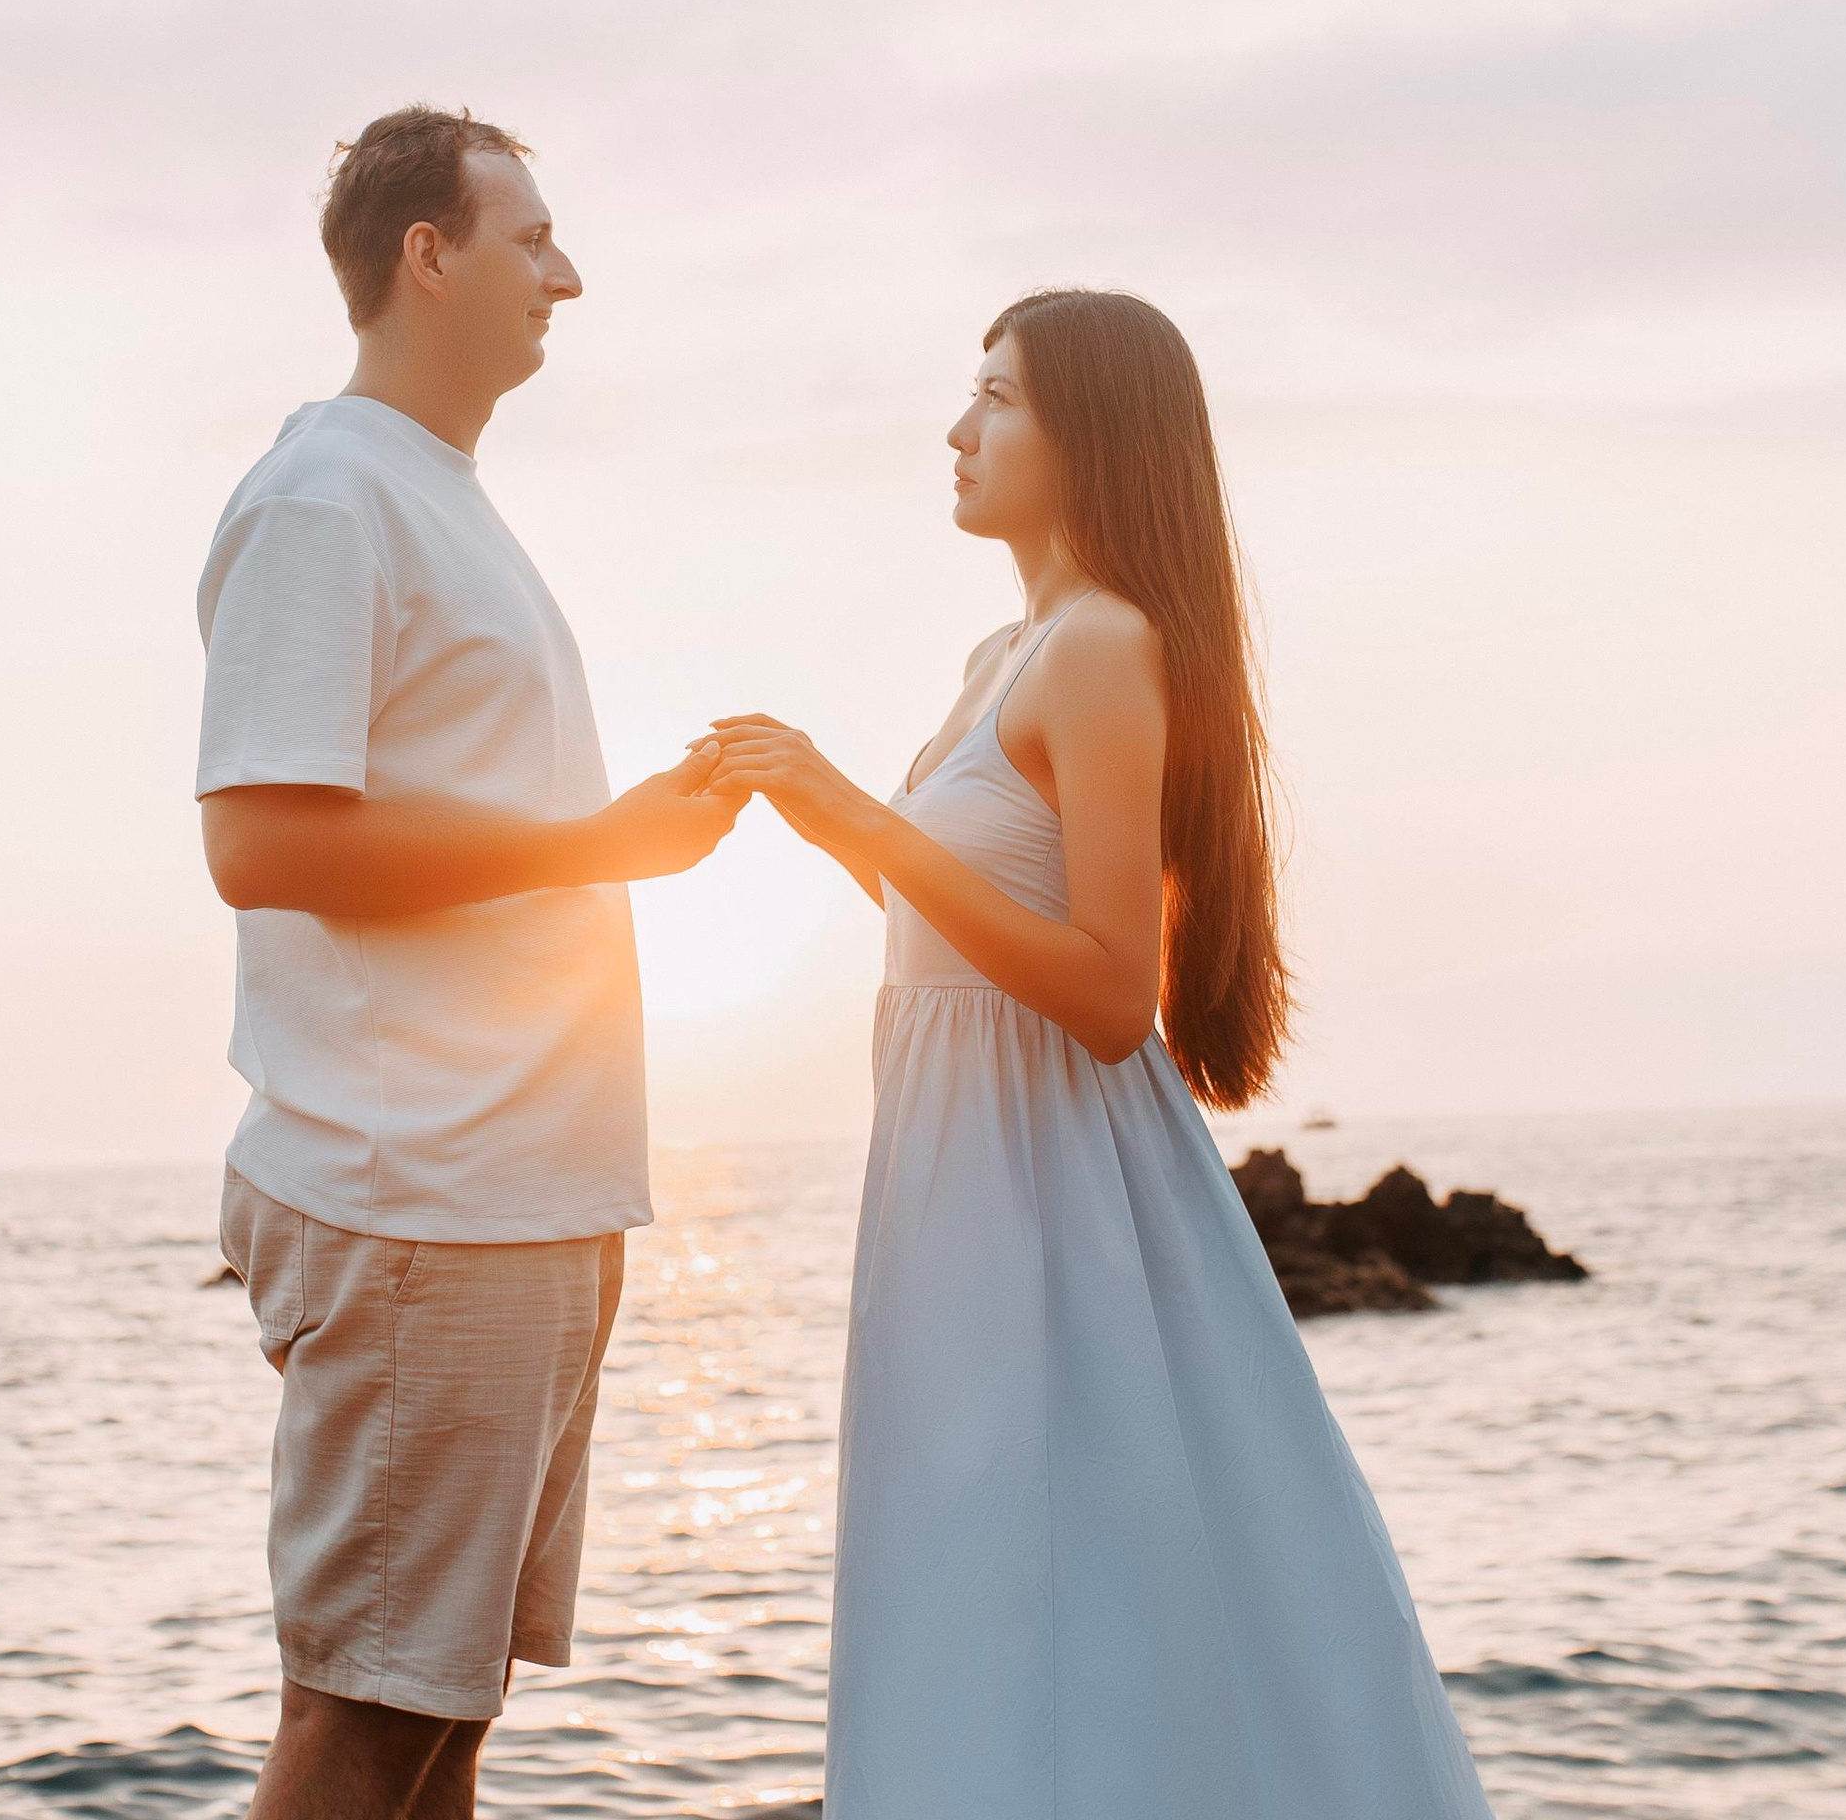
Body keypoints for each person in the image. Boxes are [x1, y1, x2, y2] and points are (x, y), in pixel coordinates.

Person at [703, 287, 1496, 1819]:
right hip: (965, 1172)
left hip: (1050, 1184)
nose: (957, 428)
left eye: (994, 398)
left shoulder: (1102, 649)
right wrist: (822, 818)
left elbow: (1113, 988)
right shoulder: (1005, 650)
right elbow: (966, 923)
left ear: (1093, 436)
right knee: (987, 1571)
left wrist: (861, 812)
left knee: (1064, 1579)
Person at [195, 107, 741, 1820]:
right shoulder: (324, 497)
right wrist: (602, 842)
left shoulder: (432, 497)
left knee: (440, 1724)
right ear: (425, 254)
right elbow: (262, 845)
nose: (565, 277)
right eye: (530, 240)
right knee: (366, 1721)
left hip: (516, 1199)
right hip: (419, 1195)